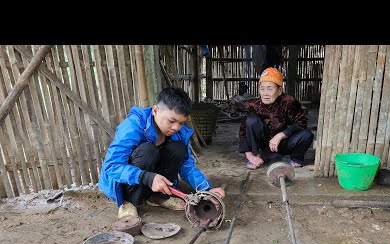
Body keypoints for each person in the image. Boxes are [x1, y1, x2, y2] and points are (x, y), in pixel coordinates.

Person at [98, 86, 225, 219]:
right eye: (171, 121)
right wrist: (147, 177)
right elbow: (112, 166)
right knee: (148, 151)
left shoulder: (179, 133)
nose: (176, 127)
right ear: (155, 110)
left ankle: (158, 197)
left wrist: (206, 189)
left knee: (178, 149)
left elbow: (187, 166)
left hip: (151, 178)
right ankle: (128, 201)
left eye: (181, 123)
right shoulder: (133, 126)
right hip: (124, 182)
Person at [238, 67, 314, 170]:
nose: (265, 93)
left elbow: (301, 124)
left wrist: (281, 135)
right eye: (262, 89)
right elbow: (243, 132)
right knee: (251, 121)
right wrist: (249, 156)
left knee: (307, 135)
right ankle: (257, 156)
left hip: (284, 144)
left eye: (270, 89)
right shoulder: (253, 105)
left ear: (279, 91)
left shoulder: (289, 102)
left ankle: (296, 158)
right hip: (263, 145)